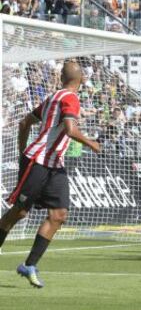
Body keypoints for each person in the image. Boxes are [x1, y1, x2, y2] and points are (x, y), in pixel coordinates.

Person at [0, 61, 101, 288]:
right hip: (38, 161)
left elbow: (25, 122)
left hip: (54, 164)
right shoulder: (70, 98)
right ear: (82, 79)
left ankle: (30, 265)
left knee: (59, 214)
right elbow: (70, 129)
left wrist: (21, 150)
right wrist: (91, 143)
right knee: (19, 212)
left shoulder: (54, 97)